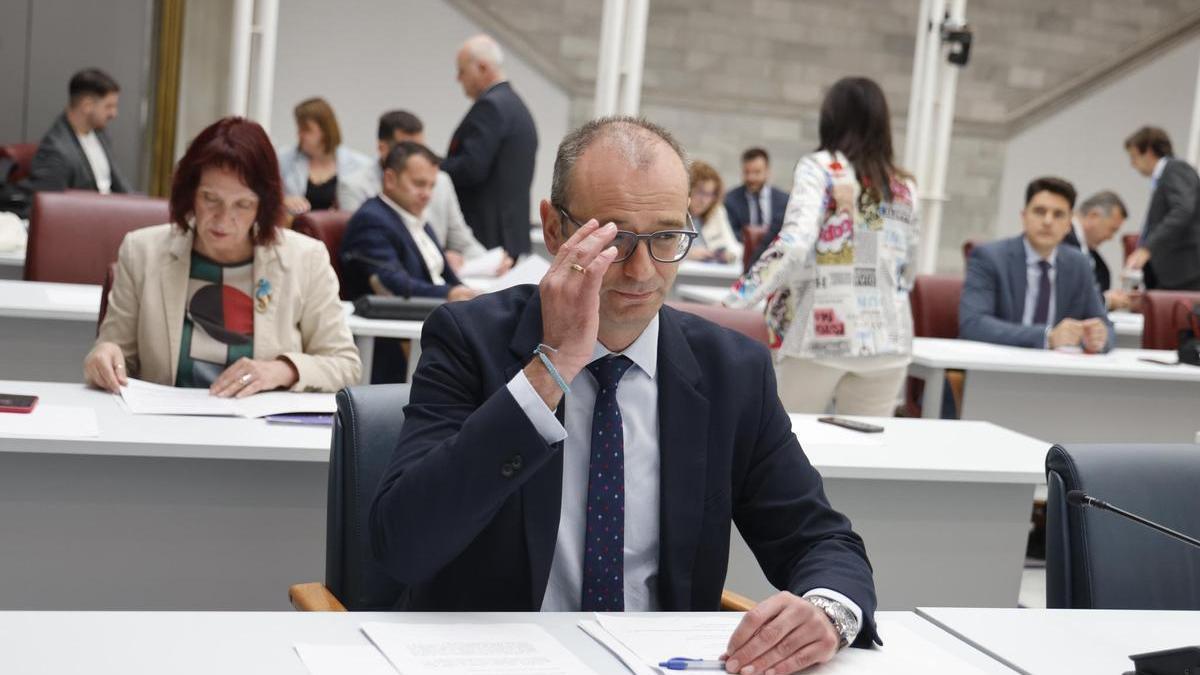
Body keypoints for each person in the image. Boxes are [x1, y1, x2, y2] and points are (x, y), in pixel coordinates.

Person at [370, 116, 878, 674]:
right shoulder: (471, 339)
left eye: (665, 237)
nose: (642, 271)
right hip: (497, 659)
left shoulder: (732, 371)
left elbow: (820, 541)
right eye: (614, 237)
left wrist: (829, 612)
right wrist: (551, 368)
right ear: (556, 229)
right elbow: (404, 544)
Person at [83, 117, 361, 394]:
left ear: (263, 206)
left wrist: (283, 369)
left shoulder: (305, 258)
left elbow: (346, 366)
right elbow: (116, 351)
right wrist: (105, 356)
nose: (223, 219)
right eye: (210, 199)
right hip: (163, 428)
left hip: (260, 434)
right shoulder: (142, 251)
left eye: (243, 204)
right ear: (190, 194)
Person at [725, 77, 920, 417]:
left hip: (822, 332)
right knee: (863, 458)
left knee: (785, 445)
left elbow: (793, 245)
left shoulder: (821, 168)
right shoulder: (905, 185)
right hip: (889, 337)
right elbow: (908, 270)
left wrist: (734, 302)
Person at [339, 110, 509, 275]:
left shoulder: (441, 181)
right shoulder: (354, 187)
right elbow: (369, 251)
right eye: (407, 149)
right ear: (383, 148)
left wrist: (491, 262)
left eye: (420, 148)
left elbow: (462, 240)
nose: (417, 157)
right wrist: (440, 258)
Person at [960, 176, 1114, 353]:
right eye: (1040, 211)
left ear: (1068, 224)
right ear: (1024, 217)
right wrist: (1047, 337)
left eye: (1058, 215)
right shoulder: (989, 257)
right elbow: (973, 324)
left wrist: (1099, 338)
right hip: (995, 366)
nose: (1048, 221)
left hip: (1054, 373)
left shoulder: (1078, 264)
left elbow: (1107, 329)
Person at [340, 141, 478, 302]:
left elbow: (448, 278)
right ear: (390, 179)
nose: (427, 194)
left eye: (431, 186)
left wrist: (468, 294)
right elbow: (391, 283)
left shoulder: (418, 219)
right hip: (401, 319)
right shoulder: (371, 221)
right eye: (419, 184)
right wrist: (449, 294)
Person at [442, 34, 538, 258]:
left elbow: (471, 169)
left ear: (483, 67)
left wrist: (431, 167)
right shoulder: (515, 105)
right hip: (511, 234)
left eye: (462, 71)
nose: (458, 78)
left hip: (487, 237)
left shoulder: (491, 107)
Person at [28, 68, 128, 194]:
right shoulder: (55, 150)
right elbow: (51, 206)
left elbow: (119, 185)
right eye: (109, 106)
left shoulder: (100, 134)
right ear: (87, 106)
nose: (114, 113)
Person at [1124, 126, 1200, 290]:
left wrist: (1147, 248)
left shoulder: (1176, 169)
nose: (1133, 164)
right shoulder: (1164, 176)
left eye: (1134, 157)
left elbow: (1182, 210)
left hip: (1183, 272)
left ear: (1149, 151)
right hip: (1172, 273)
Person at [277, 97, 371, 214]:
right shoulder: (283, 159)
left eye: (306, 130)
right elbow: (266, 196)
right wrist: (283, 201)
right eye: (299, 129)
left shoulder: (361, 165)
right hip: (296, 229)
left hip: (341, 230)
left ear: (326, 130)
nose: (300, 135)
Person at [1064, 190, 1130, 309]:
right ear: (1093, 216)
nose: (1110, 237)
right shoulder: (1062, 238)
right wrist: (1107, 300)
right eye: (1112, 229)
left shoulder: (1089, 252)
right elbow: (1070, 293)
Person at [723, 147, 789, 264]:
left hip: (777, 258)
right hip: (742, 259)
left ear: (768, 172)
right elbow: (730, 232)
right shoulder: (730, 199)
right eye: (747, 172)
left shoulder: (783, 200)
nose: (751, 178)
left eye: (757, 172)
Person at [686, 160, 742, 264]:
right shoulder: (675, 213)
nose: (704, 201)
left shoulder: (717, 212)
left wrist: (726, 255)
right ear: (688, 189)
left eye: (710, 194)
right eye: (701, 192)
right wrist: (687, 254)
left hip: (712, 274)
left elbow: (734, 248)